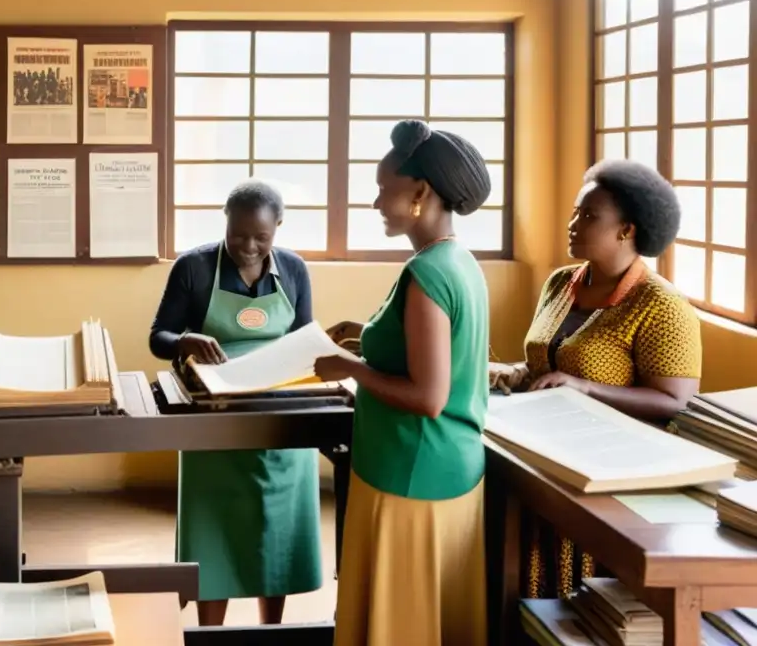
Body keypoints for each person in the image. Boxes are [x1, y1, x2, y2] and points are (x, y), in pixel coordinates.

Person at [490, 158, 702, 600]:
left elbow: (677, 402)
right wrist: (513, 372)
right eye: (574, 211)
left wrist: (585, 387)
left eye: (588, 216)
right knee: (518, 579)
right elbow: (546, 363)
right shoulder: (561, 283)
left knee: (575, 598)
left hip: (608, 477)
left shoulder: (661, 305)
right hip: (541, 457)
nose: (572, 223)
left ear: (627, 229)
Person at [314, 120, 492, 646]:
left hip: (411, 473)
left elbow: (428, 396)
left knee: (403, 622)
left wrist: (350, 369)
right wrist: (363, 335)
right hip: (449, 468)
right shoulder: (458, 263)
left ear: (420, 193)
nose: (375, 204)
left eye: (383, 190)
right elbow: (431, 352)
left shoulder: (426, 275)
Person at [148, 178, 321, 626]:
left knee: (275, 533)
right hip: (215, 420)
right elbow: (158, 338)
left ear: (278, 228)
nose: (248, 246)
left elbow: (303, 340)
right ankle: (209, 633)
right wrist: (186, 340)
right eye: (238, 235)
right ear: (224, 224)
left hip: (279, 418)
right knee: (214, 533)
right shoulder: (194, 268)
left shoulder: (295, 271)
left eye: (261, 238)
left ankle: (272, 629)